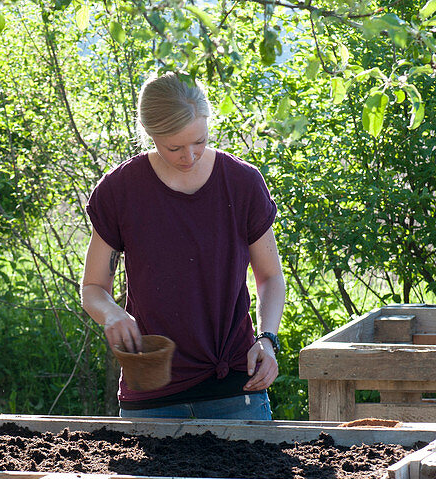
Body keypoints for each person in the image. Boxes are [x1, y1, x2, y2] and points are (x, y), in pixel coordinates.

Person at [80, 71, 286, 422]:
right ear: (150, 134)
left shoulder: (242, 182)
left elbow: (270, 277)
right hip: (151, 391)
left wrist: (267, 339)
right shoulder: (121, 190)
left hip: (235, 390)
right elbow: (93, 288)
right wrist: (111, 313)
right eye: (174, 147)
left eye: (199, 142)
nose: (188, 156)